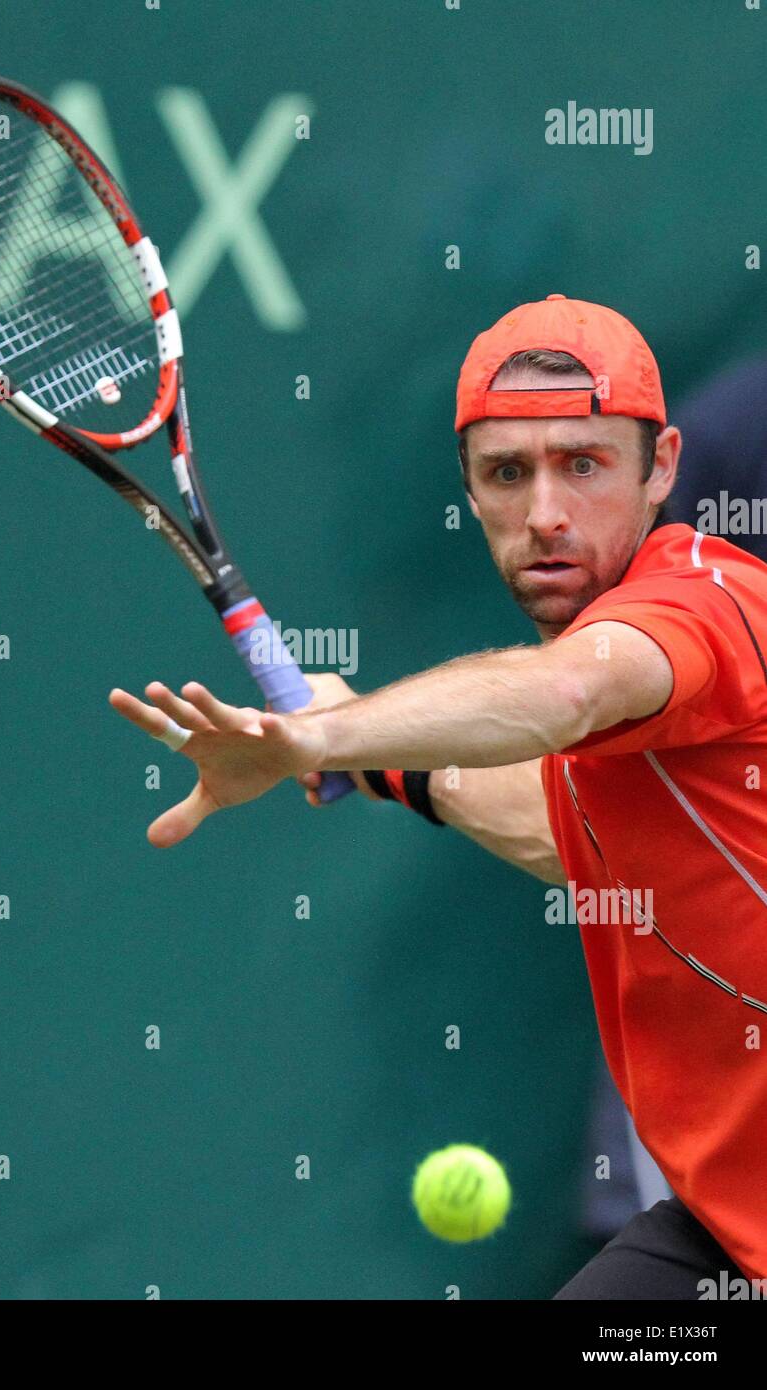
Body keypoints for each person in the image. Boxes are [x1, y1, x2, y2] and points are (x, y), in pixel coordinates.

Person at [109, 295, 767, 1299]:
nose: (543, 511)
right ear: (466, 486)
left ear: (662, 467)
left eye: (580, 463)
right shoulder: (636, 748)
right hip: (726, 1230)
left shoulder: (702, 610)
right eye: (507, 472)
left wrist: (316, 732)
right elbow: (562, 827)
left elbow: (565, 691)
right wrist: (372, 758)